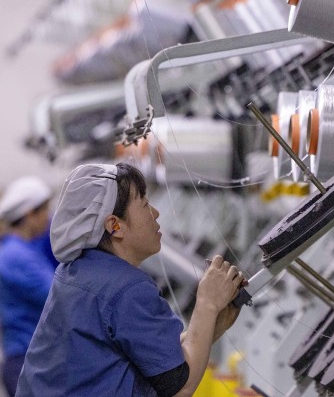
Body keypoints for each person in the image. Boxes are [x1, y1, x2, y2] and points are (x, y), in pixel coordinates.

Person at [16, 163, 246, 397]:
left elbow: (150, 354)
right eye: (145, 205)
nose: (155, 213)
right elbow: (179, 386)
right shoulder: (128, 288)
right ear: (115, 226)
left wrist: (208, 326)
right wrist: (206, 303)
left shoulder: (75, 271)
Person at [0, 176, 56, 397]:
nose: (48, 219)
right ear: (29, 215)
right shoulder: (16, 256)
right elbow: (58, 296)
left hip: (30, 358)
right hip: (25, 359)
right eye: (45, 212)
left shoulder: (22, 250)